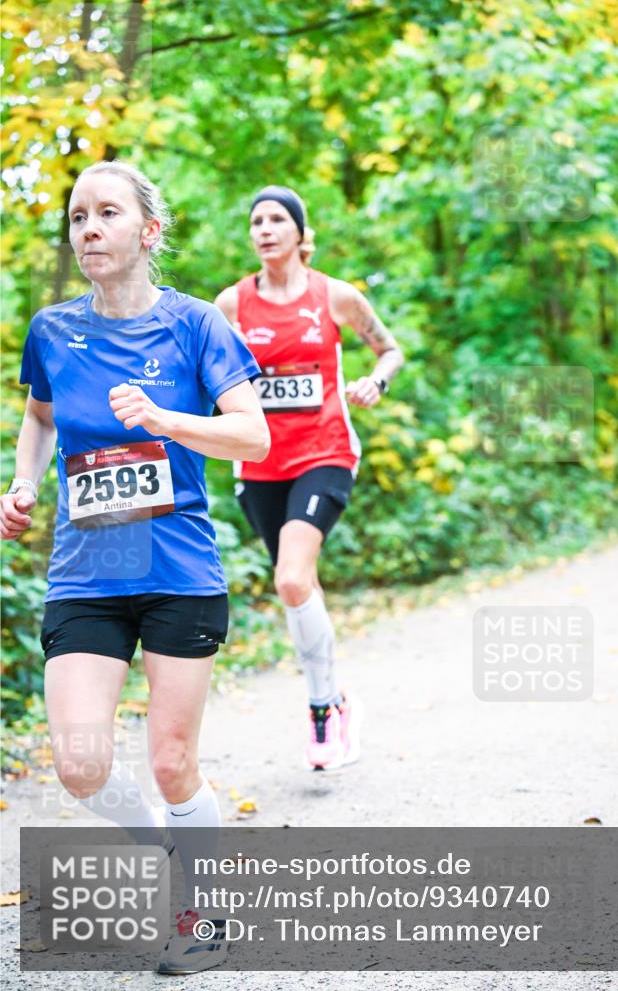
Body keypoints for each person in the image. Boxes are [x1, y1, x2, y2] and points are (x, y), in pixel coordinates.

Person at [0, 160, 270, 975]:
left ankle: (200, 912)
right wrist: (21, 481)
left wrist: (163, 417)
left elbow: (253, 437)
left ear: (147, 231)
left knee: (169, 760)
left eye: (106, 214)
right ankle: (176, 851)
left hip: (178, 569)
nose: (87, 229)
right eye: (78, 217)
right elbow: (39, 419)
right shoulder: (52, 330)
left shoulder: (195, 326)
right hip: (86, 570)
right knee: (81, 764)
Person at [215, 185, 404, 771]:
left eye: (276, 219)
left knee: (293, 578)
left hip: (325, 451)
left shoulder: (337, 297)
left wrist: (376, 381)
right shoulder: (231, 305)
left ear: (300, 233)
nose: (265, 229)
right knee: (298, 584)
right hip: (260, 463)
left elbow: (389, 349)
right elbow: (207, 374)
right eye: (256, 221)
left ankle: (324, 709)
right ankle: (340, 698)